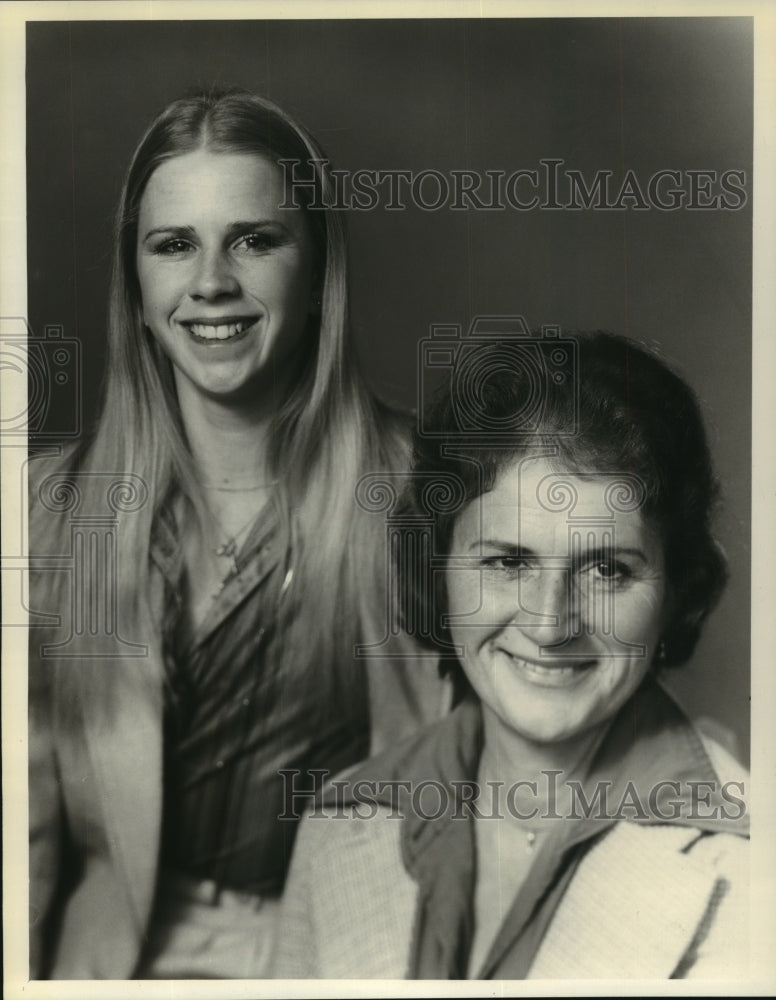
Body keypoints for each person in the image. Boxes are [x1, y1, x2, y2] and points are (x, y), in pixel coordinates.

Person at [27, 89, 446, 980]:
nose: (212, 280)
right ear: (136, 287)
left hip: (351, 950)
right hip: (116, 961)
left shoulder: (424, 490)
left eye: (254, 239)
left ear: (317, 269)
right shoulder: (46, 507)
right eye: (174, 244)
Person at [274, 330, 749, 980]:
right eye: (507, 561)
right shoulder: (343, 820)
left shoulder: (749, 865)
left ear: (677, 591)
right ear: (437, 569)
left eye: (607, 570)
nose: (550, 623)